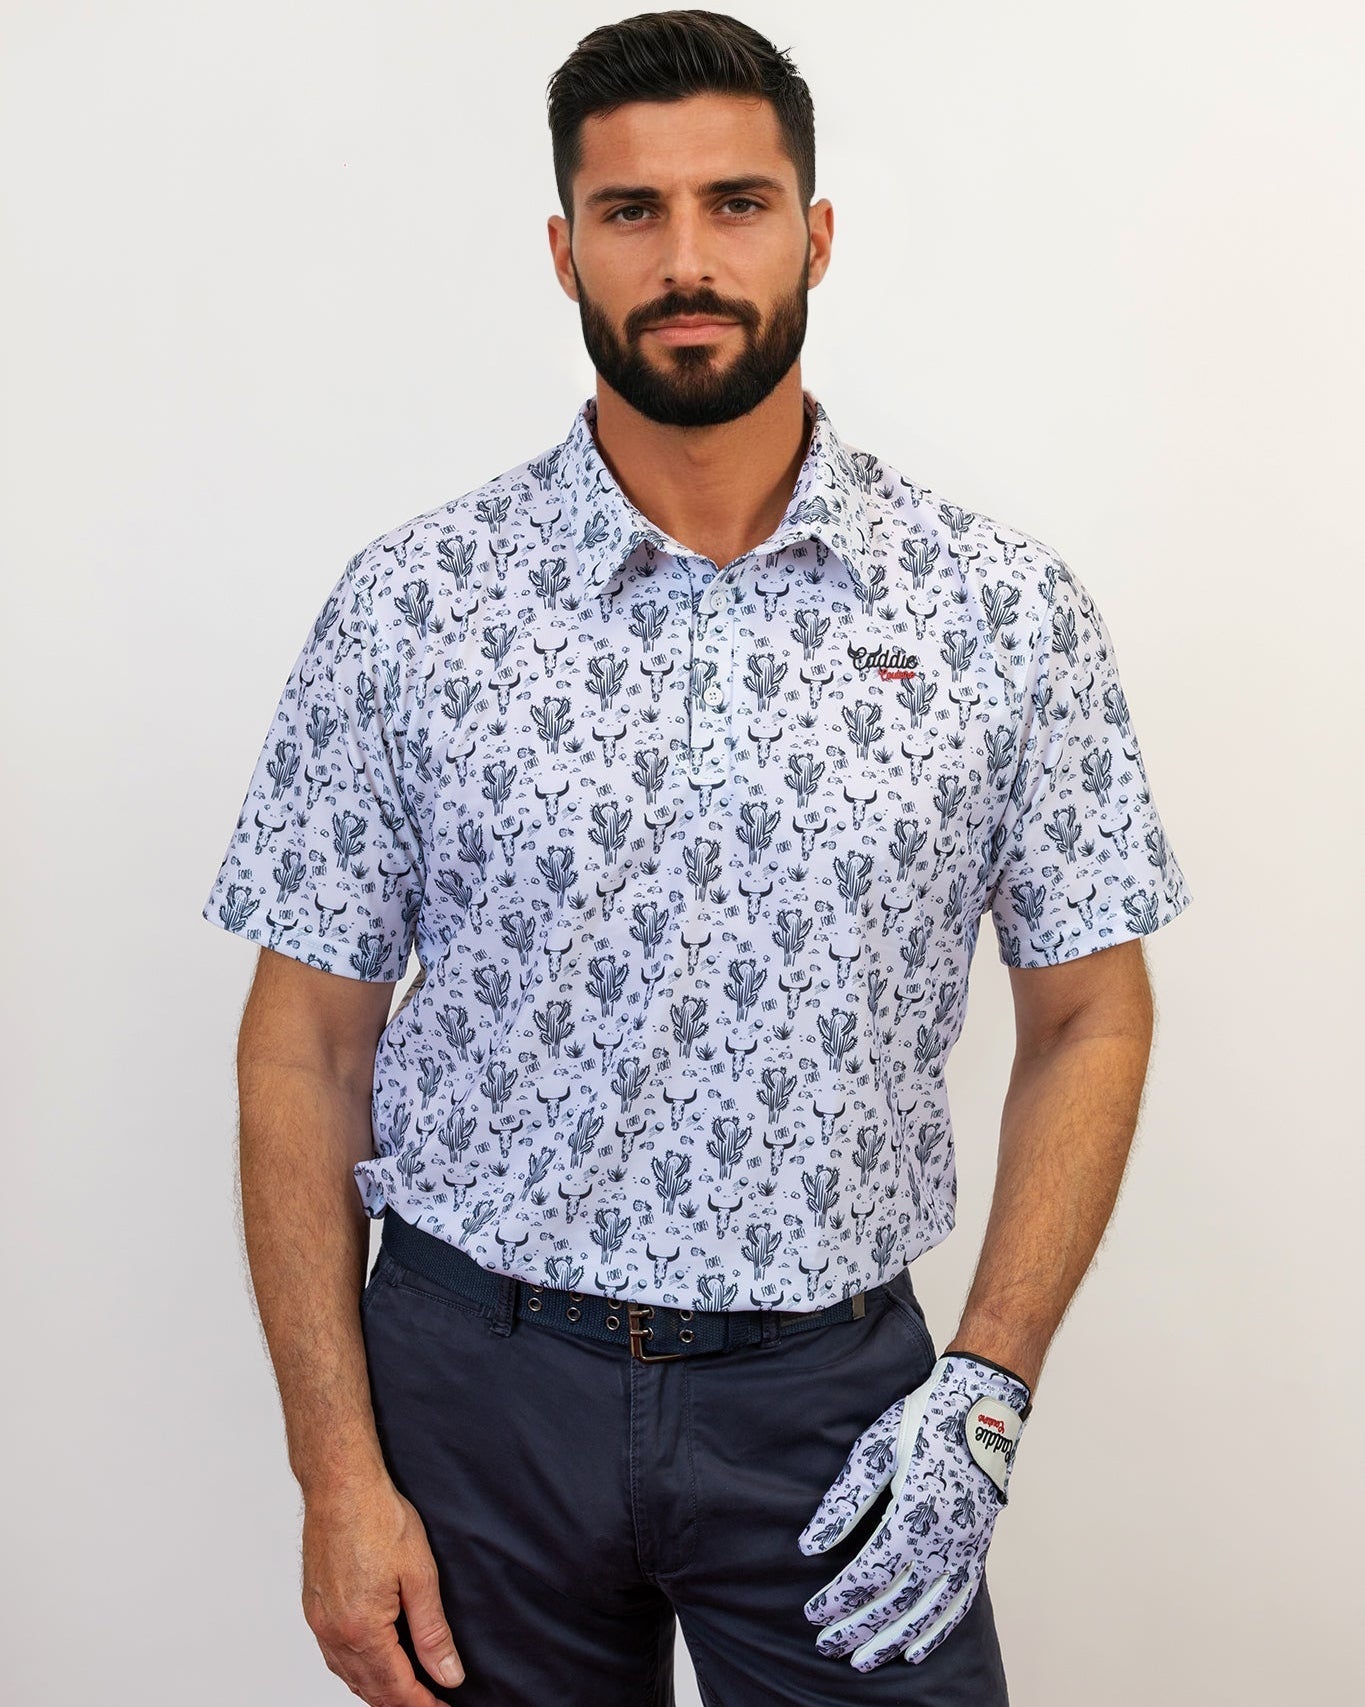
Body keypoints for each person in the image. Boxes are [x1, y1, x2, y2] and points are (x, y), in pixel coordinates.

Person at [201, 11, 1193, 1705]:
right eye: (631, 211)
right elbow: (304, 1044)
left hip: (830, 1397)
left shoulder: (996, 613)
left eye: (735, 204)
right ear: (563, 249)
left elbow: (1091, 1010)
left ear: (814, 234)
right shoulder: (416, 607)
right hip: (474, 1394)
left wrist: (987, 1382)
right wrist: (335, 1474)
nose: (685, 260)